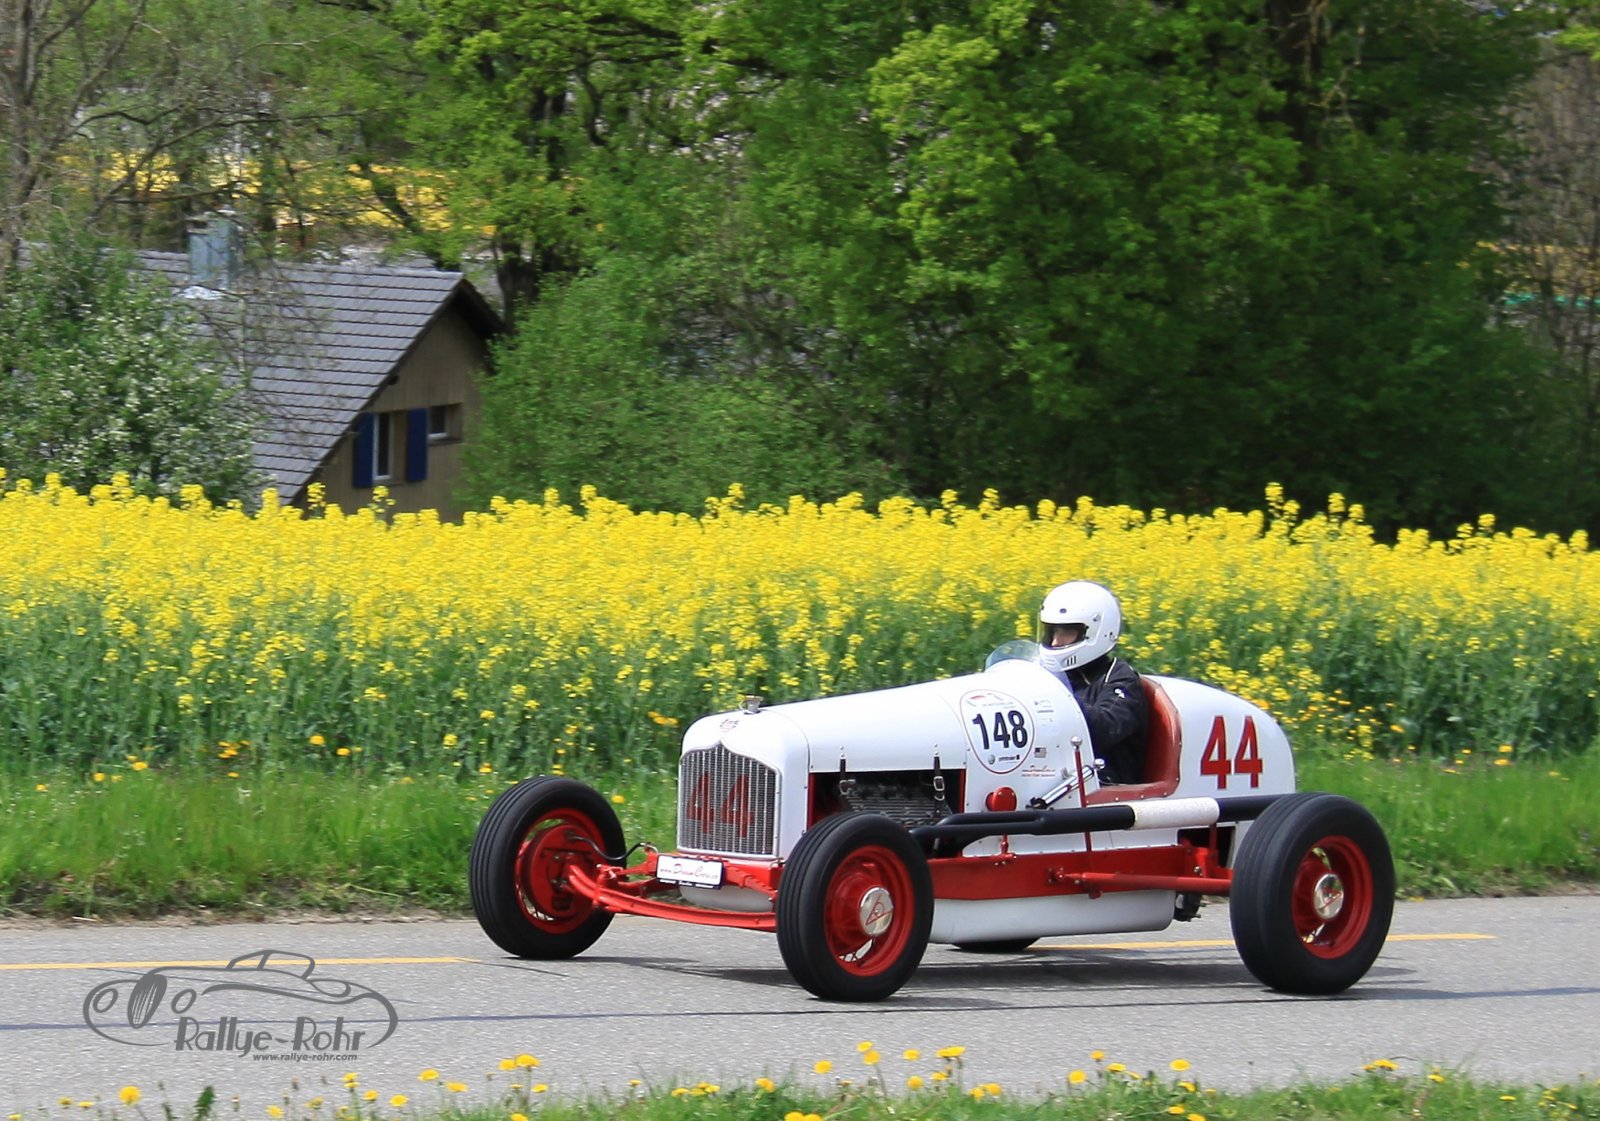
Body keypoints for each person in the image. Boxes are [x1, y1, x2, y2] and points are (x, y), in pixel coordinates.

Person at [1037, 580, 1149, 784]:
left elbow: (1106, 729)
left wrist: (1056, 700)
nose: (1055, 642)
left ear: (1095, 632)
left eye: (1066, 632)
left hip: (1106, 787)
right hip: (1053, 779)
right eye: (1053, 631)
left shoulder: (1119, 677)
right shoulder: (1046, 673)